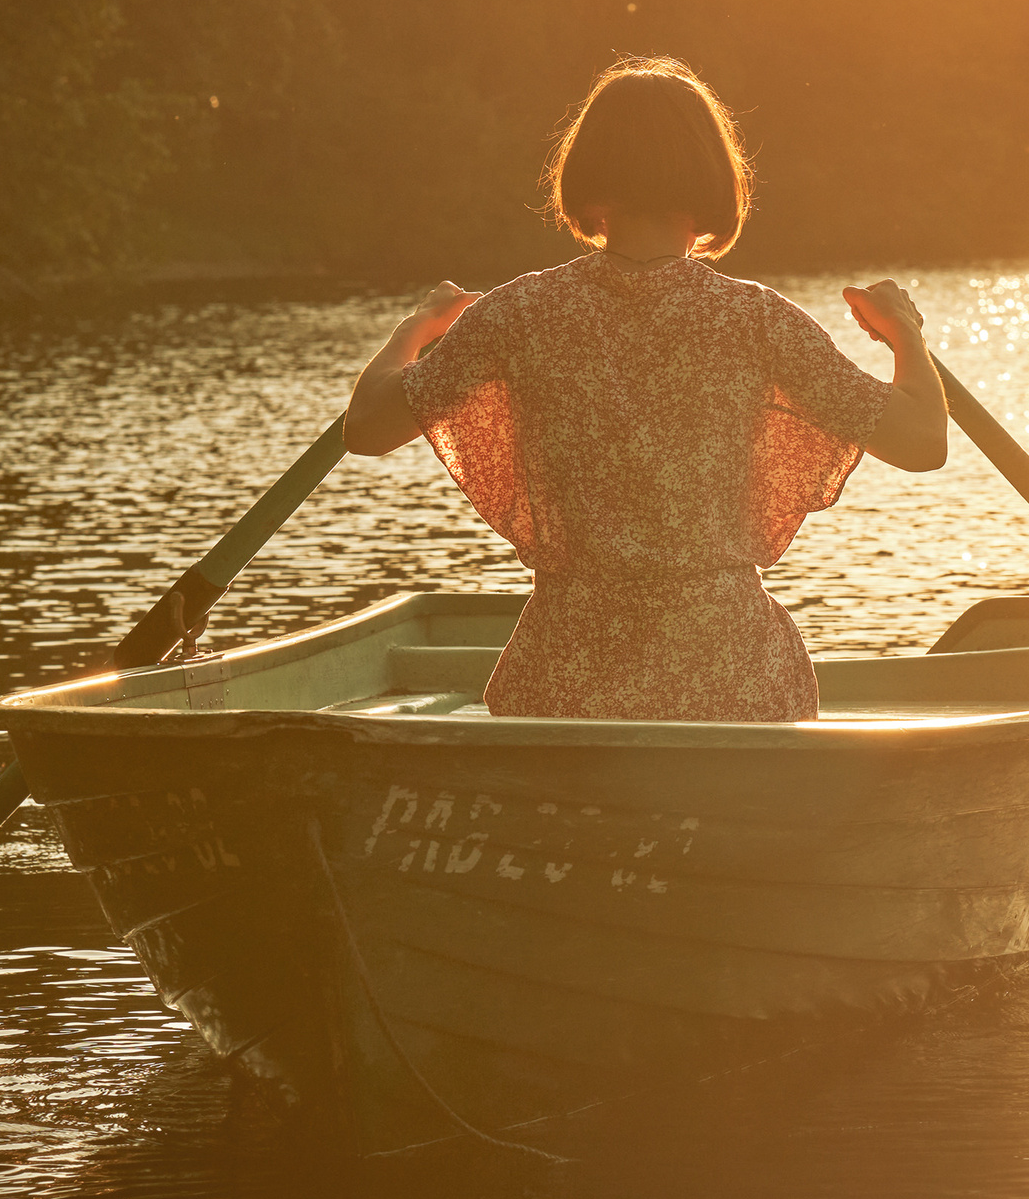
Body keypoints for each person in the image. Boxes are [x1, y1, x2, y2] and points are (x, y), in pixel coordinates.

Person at [343, 56, 947, 721]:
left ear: (589, 179)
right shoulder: (756, 320)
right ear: (711, 183)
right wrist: (904, 336)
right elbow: (921, 441)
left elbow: (367, 426)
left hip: (569, 681)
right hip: (730, 681)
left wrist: (412, 332)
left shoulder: (520, 313)